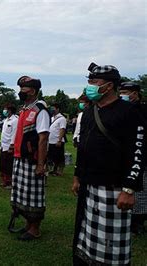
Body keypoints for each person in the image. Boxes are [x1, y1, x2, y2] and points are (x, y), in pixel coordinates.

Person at [72, 63, 144, 265]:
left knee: (111, 247)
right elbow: (83, 148)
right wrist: (77, 176)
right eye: (89, 82)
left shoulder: (129, 111)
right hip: (88, 185)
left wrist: (129, 189)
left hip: (114, 188)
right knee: (85, 238)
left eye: (94, 82)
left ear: (109, 86)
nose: (90, 86)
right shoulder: (88, 112)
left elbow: (138, 152)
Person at [10, 75, 49, 241]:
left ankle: (35, 229)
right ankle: (28, 224)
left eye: (23, 89)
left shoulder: (40, 110)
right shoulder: (25, 109)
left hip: (32, 160)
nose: (20, 92)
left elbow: (43, 138)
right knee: (22, 193)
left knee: (33, 195)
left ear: (32, 91)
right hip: (20, 158)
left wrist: (41, 164)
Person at [119, 81, 147, 235]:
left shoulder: (142, 109)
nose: (123, 95)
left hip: (141, 156)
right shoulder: (121, 109)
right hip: (123, 156)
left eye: (126, 92)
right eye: (121, 91)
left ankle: (139, 222)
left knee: (141, 191)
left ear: (135, 94)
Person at [0, 104, 18, 189]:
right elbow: (3, 133)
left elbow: (14, 134)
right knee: (2, 164)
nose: (4, 111)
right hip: (3, 145)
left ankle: (10, 182)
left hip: (9, 146)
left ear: (10, 110)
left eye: (6, 109)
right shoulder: (6, 120)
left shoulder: (15, 120)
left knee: (9, 165)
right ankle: (4, 181)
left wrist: (12, 146)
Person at [47, 103, 67, 176]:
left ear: (58, 109)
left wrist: (59, 140)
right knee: (52, 157)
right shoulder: (52, 118)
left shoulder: (62, 118)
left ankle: (59, 171)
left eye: (53, 108)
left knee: (59, 157)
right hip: (51, 141)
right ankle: (53, 170)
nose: (52, 109)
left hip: (57, 141)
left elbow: (62, 129)